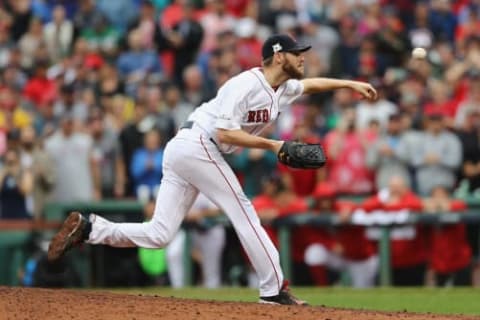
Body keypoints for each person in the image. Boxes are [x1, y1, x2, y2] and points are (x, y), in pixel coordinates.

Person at [47, 34, 377, 305]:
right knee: (244, 211)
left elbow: (311, 86)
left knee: (160, 233)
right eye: (296, 53)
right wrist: (274, 145)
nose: (303, 57)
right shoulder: (245, 84)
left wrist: (350, 84)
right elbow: (224, 133)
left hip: (185, 148)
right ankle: (273, 290)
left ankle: (91, 229)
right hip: (199, 144)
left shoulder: (283, 89)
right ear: (278, 57)